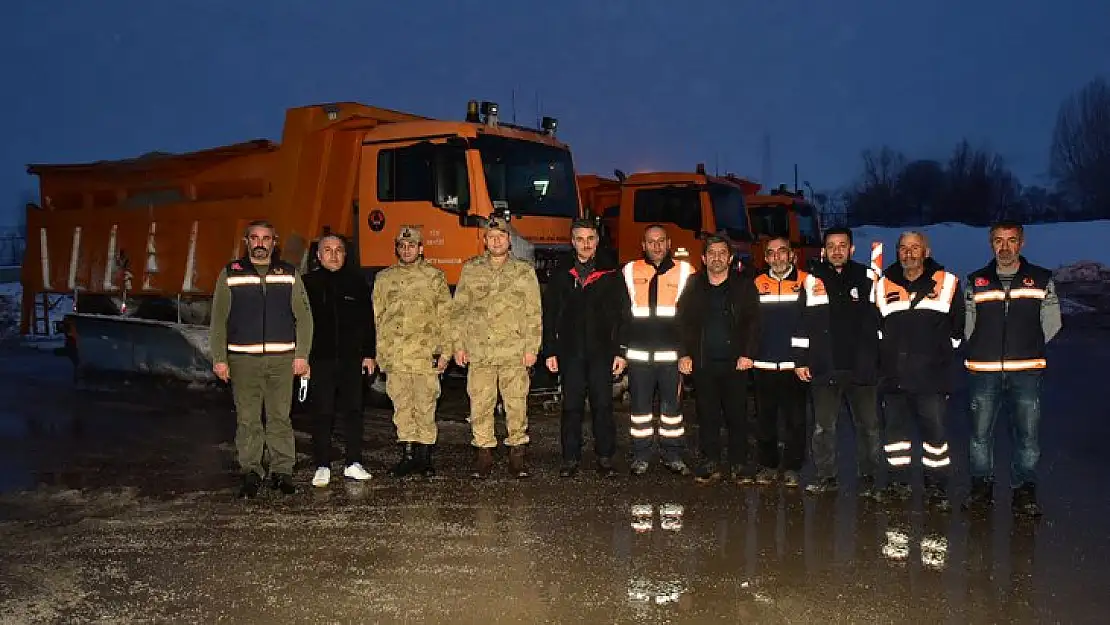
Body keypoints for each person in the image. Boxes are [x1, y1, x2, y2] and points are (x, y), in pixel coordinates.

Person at [963, 221, 1062, 517]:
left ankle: (1024, 492)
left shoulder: (1041, 279)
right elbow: (969, 325)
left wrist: (1029, 346)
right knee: (980, 435)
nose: (1004, 247)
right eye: (998, 240)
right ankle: (981, 489)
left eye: (1011, 240)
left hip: (1026, 371)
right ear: (991, 243)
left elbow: (1053, 323)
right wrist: (982, 348)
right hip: (984, 371)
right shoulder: (976, 280)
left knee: (1028, 437)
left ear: (1022, 243)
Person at [209, 220, 313, 498]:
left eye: (266, 239)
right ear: (246, 242)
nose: (260, 243)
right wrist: (219, 358)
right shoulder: (231, 273)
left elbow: (304, 318)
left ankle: (283, 472)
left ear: (274, 242)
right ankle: (251, 471)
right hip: (243, 361)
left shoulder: (288, 273)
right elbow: (218, 319)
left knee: (280, 418)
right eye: (254, 238)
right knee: (248, 419)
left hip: (282, 360)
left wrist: (302, 355)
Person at [874, 231, 964, 511]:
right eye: (903, 248)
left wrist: (933, 357)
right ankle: (898, 484)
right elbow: (877, 330)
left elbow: (958, 330)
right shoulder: (882, 284)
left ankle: (936, 487)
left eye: (915, 248)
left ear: (926, 251)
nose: (908, 253)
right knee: (895, 437)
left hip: (931, 378)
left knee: (934, 437)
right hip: (894, 378)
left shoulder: (947, 282)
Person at [794, 227, 883, 498]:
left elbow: (882, 319)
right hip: (824, 366)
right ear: (824, 250)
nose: (836, 250)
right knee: (823, 427)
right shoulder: (811, 280)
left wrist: (877, 356)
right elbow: (801, 323)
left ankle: (869, 479)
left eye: (842, 245)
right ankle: (825, 477)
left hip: (861, 367)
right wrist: (800, 360)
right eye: (831, 245)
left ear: (851, 249)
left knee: (869, 426)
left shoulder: (869, 278)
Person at [452, 216, 543, 479]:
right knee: (480, 404)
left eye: (501, 236)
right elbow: (459, 310)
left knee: (516, 405)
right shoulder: (471, 269)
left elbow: (533, 312)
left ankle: (517, 455)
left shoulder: (523, 271)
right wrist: (459, 345)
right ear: (484, 241)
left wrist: (531, 348)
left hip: (514, 351)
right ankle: (484, 455)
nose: (496, 241)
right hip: (480, 351)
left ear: (509, 240)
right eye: (491, 237)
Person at [543, 218, 629, 478]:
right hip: (570, 353)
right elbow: (550, 315)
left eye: (590, 238)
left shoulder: (611, 273)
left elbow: (624, 315)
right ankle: (570, 458)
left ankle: (605, 457)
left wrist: (620, 351)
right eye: (580, 239)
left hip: (602, 352)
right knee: (571, 407)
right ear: (572, 242)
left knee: (603, 406)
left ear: (597, 240)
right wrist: (550, 351)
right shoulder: (561, 272)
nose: (585, 244)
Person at [676, 235, 760, 484]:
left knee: (737, 414)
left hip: (736, 362)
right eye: (711, 253)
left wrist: (748, 353)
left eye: (722, 252)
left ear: (730, 258)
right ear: (703, 258)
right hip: (703, 362)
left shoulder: (744, 286)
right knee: (707, 414)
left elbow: (754, 322)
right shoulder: (693, 284)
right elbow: (682, 322)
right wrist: (683, 354)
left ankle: (739, 462)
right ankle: (710, 460)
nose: (716, 257)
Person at [373, 227, 452, 478]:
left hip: (425, 355)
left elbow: (446, 317)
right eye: (402, 246)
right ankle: (407, 455)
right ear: (396, 248)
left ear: (421, 248)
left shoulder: (434, 277)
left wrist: (446, 352)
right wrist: (379, 355)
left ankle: (425, 457)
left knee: (426, 406)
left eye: (411, 245)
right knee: (402, 407)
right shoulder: (384, 278)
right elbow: (377, 318)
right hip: (396, 356)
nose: (406, 250)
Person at [621, 224, 695, 476]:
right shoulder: (630, 270)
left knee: (671, 410)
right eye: (651, 242)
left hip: (671, 357)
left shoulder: (685, 271)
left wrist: (687, 352)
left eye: (661, 241)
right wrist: (621, 351)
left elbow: (691, 318)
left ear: (669, 243)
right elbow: (622, 316)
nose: (656, 246)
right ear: (643, 245)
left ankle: (672, 454)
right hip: (639, 356)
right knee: (639, 410)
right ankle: (641, 455)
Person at [302, 234, 375, 488]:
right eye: (328, 250)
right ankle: (322, 465)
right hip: (318, 361)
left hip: (351, 361)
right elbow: (298, 324)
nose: (333, 255)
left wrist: (369, 354)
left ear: (346, 254)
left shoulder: (357, 284)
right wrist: (302, 358)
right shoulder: (306, 285)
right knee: (322, 413)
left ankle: (353, 462)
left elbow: (368, 322)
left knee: (353, 412)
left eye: (339, 250)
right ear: (319, 256)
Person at [750, 236, 810, 487]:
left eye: (782, 252)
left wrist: (804, 360)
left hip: (794, 366)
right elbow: (750, 324)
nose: (777, 257)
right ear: (765, 258)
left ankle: (793, 468)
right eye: (771, 253)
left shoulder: (807, 282)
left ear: (792, 255)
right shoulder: (756, 283)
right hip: (763, 365)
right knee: (765, 419)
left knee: (796, 420)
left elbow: (811, 324)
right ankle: (767, 465)